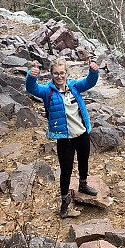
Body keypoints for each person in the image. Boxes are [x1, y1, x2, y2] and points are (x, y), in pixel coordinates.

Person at [26, 58, 99, 218]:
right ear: (52, 74)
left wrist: (94, 71)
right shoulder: (47, 91)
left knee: (84, 161)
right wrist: (31, 76)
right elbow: (31, 88)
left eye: (62, 73)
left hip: (82, 134)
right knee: (65, 170)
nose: (59, 76)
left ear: (66, 73)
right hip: (64, 138)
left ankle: (83, 185)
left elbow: (90, 81)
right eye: (56, 73)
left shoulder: (74, 86)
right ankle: (65, 199)